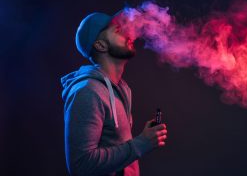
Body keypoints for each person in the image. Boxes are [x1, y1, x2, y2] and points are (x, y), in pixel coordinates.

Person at [61, 11, 167, 176]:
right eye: (118, 30)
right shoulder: (87, 91)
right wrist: (141, 143)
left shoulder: (122, 89)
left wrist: (145, 140)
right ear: (100, 45)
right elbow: (80, 166)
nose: (128, 32)